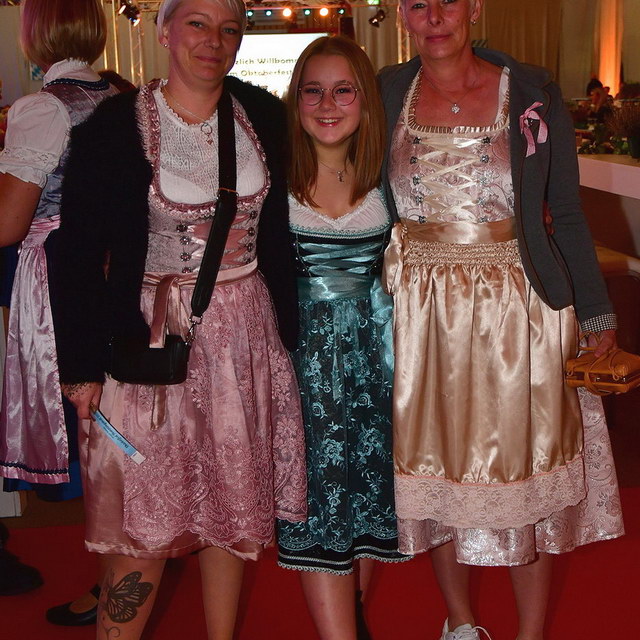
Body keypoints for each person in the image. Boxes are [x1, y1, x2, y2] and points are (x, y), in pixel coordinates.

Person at [51, 0, 307, 638]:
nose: (214, 40)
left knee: (232, 509)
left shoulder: (263, 115)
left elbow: (286, 227)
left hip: (246, 334)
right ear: (165, 31)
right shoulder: (115, 128)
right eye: (197, 23)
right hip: (152, 336)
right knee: (142, 519)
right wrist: (81, 368)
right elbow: (75, 251)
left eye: (229, 29)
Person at [378, 1, 624, 640]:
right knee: (436, 470)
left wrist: (595, 310)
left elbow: (565, 209)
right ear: (402, 16)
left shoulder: (532, 93)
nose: (435, 16)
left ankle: (530, 633)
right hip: (421, 313)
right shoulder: (384, 94)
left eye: (448, 0)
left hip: (520, 308)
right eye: (418, 4)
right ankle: (460, 623)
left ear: (475, 7)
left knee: (524, 471)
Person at [276, 35, 408, 640]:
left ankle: (352, 621)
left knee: (369, 505)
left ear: (365, 100)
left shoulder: (391, 180)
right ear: (295, 99)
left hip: (378, 363)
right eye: (313, 91)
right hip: (300, 367)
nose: (327, 104)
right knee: (318, 503)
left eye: (343, 90)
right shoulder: (270, 180)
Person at [0, 0, 119, 625]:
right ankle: (127, 565)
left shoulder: (42, 109)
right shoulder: (123, 97)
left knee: (90, 434)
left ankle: (116, 581)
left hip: (58, 281)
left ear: (33, 33)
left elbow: (8, 222)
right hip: (118, 278)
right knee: (115, 431)